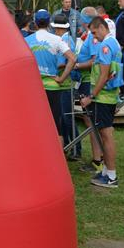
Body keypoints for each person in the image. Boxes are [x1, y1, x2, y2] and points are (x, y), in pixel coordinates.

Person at [80, 16, 123, 188]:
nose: (93, 36)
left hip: (103, 98)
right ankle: (105, 171)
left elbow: (104, 75)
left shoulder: (105, 46)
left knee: (106, 135)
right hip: (109, 96)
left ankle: (111, 176)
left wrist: (90, 96)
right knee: (105, 134)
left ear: (101, 27)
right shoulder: (114, 43)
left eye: (94, 32)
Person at [25, 10, 76, 142]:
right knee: (56, 126)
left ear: (35, 23)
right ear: (49, 24)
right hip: (52, 86)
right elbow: (72, 59)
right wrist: (62, 78)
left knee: (35, 123)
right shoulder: (57, 39)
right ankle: (59, 155)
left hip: (33, 86)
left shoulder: (26, 41)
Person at [72, 7, 103, 173]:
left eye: (82, 21)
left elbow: (94, 60)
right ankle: (98, 158)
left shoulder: (93, 37)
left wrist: (76, 65)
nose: (81, 24)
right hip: (85, 81)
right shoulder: (91, 35)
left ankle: (98, 160)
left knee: (91, 121)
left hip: (88, 81)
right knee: (89, 120)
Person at [52, 14, 77, 159]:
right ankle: (68, 146)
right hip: (63, 84)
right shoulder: (65, 38)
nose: (55, 31)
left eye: (56, 28)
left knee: (67, 118)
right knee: (63, 117)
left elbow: (67, 61)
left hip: (65, 84)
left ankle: (75, 149)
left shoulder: (65, 40)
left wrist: (52, 67)